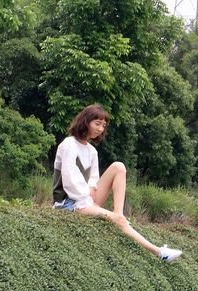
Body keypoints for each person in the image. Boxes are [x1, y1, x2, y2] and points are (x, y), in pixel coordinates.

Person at [52, 104, 182, 262]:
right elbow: (69, 179)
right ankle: (160, 253)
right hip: (68, 203)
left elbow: (93, 177)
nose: (100, 129)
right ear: (85, 122)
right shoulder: (68, 145)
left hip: (87, 198)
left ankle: (119, 214)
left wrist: (92, 189)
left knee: (119, 167)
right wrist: (87, 196)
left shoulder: (92, 151)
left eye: (103, 125)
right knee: (117, 220)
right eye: (97, 124)